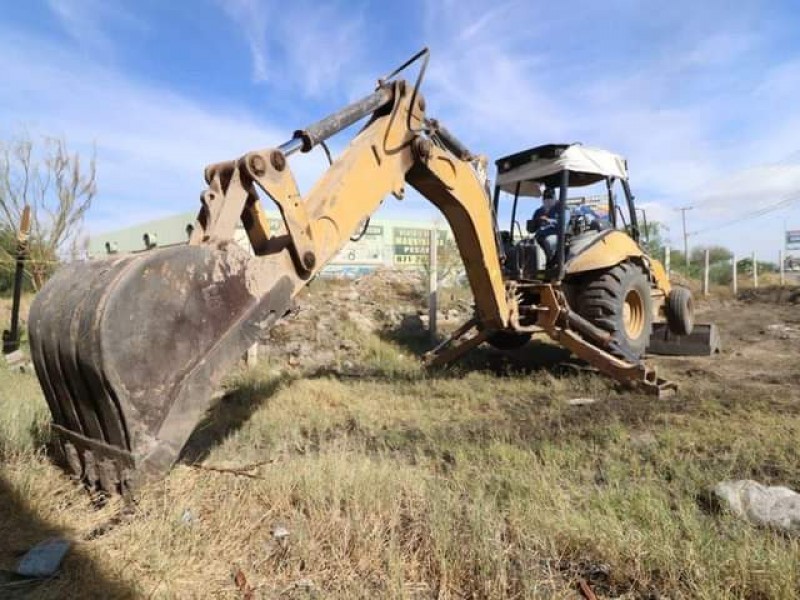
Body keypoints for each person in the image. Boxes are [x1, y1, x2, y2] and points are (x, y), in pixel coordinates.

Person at [531, 187, 567, 264]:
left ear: (554, 198)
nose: (547, 200)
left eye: (550, 197)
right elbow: (531, 229)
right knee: (527, 245)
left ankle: (548, 264)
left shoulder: (562, 208)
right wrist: (532, 224)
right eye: (545, 198)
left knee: (547, 242)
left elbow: (564, 224)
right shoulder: (538, 211)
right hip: (539, 236)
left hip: (556, 235)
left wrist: (549, 221)